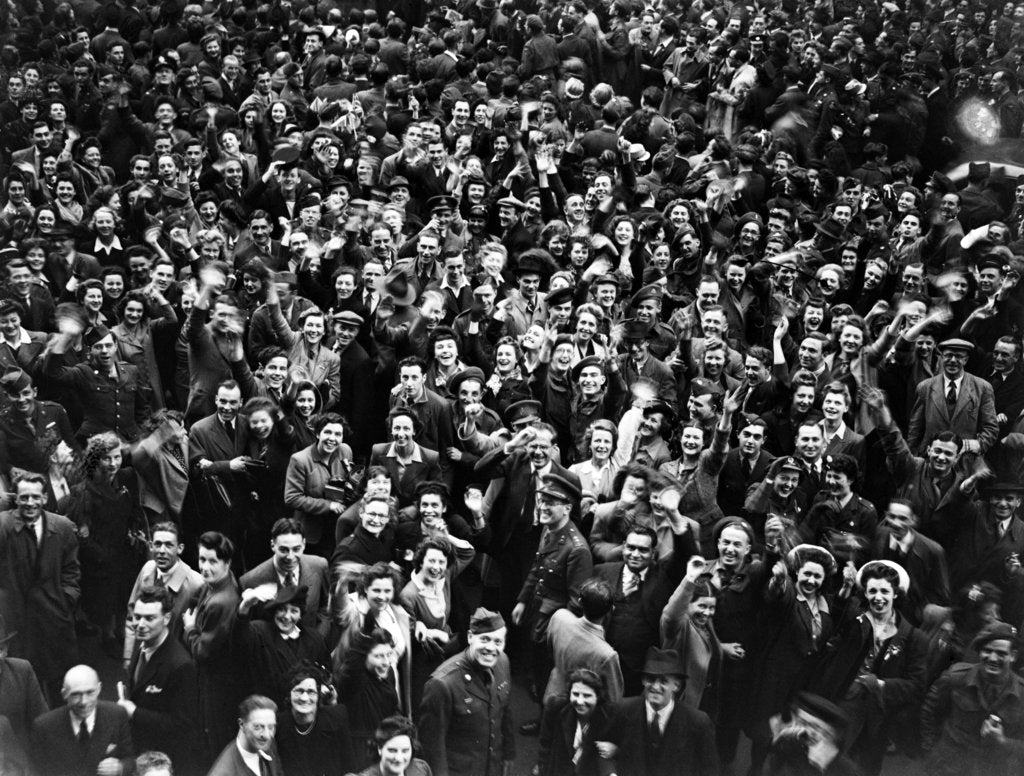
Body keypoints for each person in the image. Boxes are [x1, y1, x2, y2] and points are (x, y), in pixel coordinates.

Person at [812, 560, 929, 776]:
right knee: (822, 763)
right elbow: (835, 617)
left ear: (895, 594)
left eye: (884, 591)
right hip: (838, 706)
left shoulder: (913, 638)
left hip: (875, 720)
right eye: (872, 591)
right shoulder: (855, 619)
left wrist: (879, 684)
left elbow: (916, 686)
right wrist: (845, 588)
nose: (878, 597)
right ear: (865, 594)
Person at [0, 472, 80, 702]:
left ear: (45, 498)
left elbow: (71, 570)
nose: (30, 503)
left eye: (36, 497)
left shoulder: (62, 527)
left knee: (60, 683)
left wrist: (67, 601)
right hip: (17, 622)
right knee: (23, 686)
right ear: (16, 498)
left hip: (54, 618)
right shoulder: (3, 527)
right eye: (24, 497)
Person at [418, 607, 515, 776]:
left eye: (498, 642)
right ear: (470, 637)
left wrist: (509, 755)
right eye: (484, 639)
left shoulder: (503, 662)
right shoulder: (442, 684)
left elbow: (505, 712)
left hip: (493, 766)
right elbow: (432, 746)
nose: (491, 648)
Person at [921, 621, 1024, 776]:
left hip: (994, 769)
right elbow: (929, 712)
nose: (993, 658)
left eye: (1001, 653)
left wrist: (1002, 742)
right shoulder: (956, 678)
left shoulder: (1021, 693)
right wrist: (932, 750)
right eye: (987, 651)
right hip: (950, 766)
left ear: (1013, 656)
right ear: (980, 652)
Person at [597, 646, 719, 776]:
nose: (655, 686)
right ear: (643, 681)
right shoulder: (624, 710)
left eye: (663, 681)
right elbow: (602, 751)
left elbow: (710, 770)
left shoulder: (697, 722)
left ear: (676, 685)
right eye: (650, 679)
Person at [118, 585, 198, 774]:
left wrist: (134, 712)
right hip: (141, 751)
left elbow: (183, 724)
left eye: (150, 618)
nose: (140, 624)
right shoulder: (142, 646)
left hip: (165, 761)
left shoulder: (181, 665)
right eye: (137, 617)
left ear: (167, 618)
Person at [182, 531, 246, 764]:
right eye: (202, 560)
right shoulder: (218, 583)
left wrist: (189, 628)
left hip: (215, 683)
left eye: (212, 561)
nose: (205, 568)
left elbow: (202, 652)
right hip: (214, 677)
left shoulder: (222, 601)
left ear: (227, 563)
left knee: (213, 738)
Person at [30, 664, 134, 776]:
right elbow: (38, 770)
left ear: (99, 689)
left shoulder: (116, 714)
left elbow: (131, 759)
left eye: (90, 692)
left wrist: (120, 768)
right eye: (76, 695)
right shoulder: (45, 726)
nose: (84, 701)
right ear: (64, 694)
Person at [237, 584, 331, 702]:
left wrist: (325, 688)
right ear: (274, 611)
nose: (287, 617)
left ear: (300, 615)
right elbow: (240, 636)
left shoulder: (314, 638)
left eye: (294, 611)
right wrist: (245, 605)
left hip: (306, 707)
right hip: (272, 710)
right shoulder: (260, 632)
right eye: (282, 609)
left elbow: (327, 673)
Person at [239, 518, 331, 636]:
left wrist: (318, 639)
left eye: (296, 549)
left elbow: (326, 607)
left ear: (304, 544)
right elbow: (247, 629)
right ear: (273, 545)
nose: (290, 557)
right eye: (284, 550)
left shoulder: (319, 566)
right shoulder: (250, 581)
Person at [275, 663, 357, 776]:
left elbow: (349, 770)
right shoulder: (278, 725)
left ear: (319, 695)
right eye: (299, 691)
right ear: (289, 694)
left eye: (311, 692)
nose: (304, 698)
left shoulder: (337, 717)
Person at [537, 668, 612, 776]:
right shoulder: (556, 708)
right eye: (576, 694)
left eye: (587, 696)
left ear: (598, 696)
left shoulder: (610, 717)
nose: (580, 701)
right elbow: (545, 745)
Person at [207, 695, 284, 776]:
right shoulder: (224, 772)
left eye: (271, 727)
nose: (267, 735)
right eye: (258, 727)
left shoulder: (268, 744)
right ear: (242, 724)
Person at [347, 715, 432, 776]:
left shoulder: (421, 769)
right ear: (380, 748)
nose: (399, 758)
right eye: (392, 750)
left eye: (405, 751)